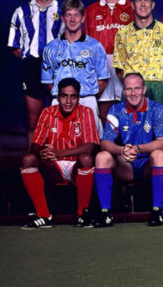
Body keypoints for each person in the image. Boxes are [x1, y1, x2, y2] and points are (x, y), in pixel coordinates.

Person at [20, 78, 99, 228]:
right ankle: (43, 215)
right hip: (53, 167)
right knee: (28, 159)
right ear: (58, 97)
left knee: (87, 158)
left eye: (73, 96)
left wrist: (59, 153)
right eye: (64, 96)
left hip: (76, 166)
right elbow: (35, 145)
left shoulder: (86, 112)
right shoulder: (48, 112)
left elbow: (91, 146)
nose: (68, 101)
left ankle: (83, 214)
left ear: (78, 97)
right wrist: (42, 152)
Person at [93, 73, 163, 227]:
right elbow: (105, 142)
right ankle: (105, 213)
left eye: (137, 88)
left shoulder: (156, 108)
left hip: (147, 164)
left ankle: (157, 211)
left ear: (144, 89)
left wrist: (139, 149)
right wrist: (121, 150)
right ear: (123, 91)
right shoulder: (116, 109)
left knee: (160, 154)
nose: (133, 93)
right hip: (125, 166)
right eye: (128, 89)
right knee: (102, 156)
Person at [7, 0, 62, 147]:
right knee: (33, 121)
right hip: (32, 67)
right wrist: (29, 58)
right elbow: (14, 45)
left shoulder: (63, 12)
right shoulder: (21, 12)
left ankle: (60, 163)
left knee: (62, 119)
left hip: (57, 68)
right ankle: (32, 163)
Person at [41, 0, 109, 136]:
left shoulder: (95, 46)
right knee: (58, 145)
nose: (72, 19)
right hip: (59, 102)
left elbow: (103, 79)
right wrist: (64, 98)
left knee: (90, 149)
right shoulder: (51, 48)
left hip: (87, 100)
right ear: (63, 18)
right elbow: (47, 81)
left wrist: (87, 96)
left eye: (76, 15)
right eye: (68, 15)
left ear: (83, 18)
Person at [113, 0, 163, 115]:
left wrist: (160, 86)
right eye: (138, 1)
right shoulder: (123, 34)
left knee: (160, 132)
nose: (143, 4)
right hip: (132, 92)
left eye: (146, 0)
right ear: (133, 5)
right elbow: (119, 69)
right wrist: (134, 87)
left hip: (159, 90)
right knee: (131, 130)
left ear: (153, 4)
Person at [83, 0, 134, 124]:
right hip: (100, 63)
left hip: (125, 64)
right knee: (103, 112)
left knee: (128, 108)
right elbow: (85, 42)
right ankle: (104, 145)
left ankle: (125, 147)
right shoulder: (91, 10)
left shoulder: (132, 7)